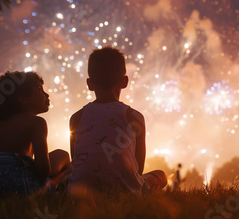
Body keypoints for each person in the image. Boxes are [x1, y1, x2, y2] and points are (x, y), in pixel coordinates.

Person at [0, 71, 70, 199]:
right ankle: (56, 189)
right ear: (22, 98)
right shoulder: (37, 123)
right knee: (63, 156)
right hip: (19, 188)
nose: (46, 94)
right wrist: (46, 181)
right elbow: (43, 169)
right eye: (39, 89)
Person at [69, 47, 167, 194]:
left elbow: (76, 160)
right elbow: (138, 167)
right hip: (125, 191)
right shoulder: (134, 117)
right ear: (124, 81)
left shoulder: (76, 118)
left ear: (89, 84)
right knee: (161, 175)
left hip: (81, 190)